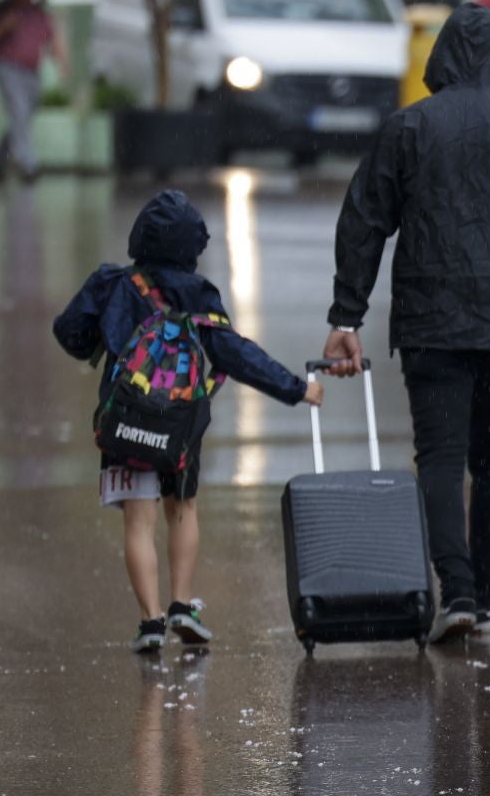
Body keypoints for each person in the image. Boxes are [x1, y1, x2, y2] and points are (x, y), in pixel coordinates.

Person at [323, 4, 490, 643]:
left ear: (439, 59)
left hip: (428, 318)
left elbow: (363, 220)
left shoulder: (408, 127)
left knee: (439, 456)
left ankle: (458, 592)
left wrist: (346, 314)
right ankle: (488, 591)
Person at [53, 189, 321, 653]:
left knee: (138, 522)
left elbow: (69, 332)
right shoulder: (201, 296)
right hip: (181, 426)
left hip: (127, 422)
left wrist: (101, 340)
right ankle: (181, 604)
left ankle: (150, 621)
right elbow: (237, 354)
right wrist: (297, 389)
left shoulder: (112, 283)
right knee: (183, 510)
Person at [0, 0, 67, 181]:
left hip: (32, 73)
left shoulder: (38, 13)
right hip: (8, 68)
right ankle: (29, 164)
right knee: (19, 111)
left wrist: (62, 65)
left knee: (24, 117)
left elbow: (52, 41)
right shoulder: (2, 11)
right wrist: (3, 27)